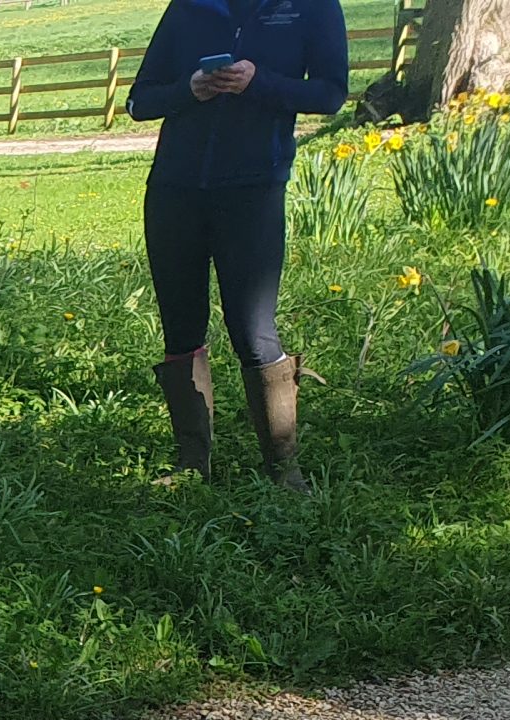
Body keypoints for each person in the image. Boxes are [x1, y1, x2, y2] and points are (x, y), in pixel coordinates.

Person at [126, 0, 349, 487]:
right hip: (173, 190)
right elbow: (140, 100)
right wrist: (189, 90)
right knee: (180, 327)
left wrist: (258, 82)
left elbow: (331, 94)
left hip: (253, 190)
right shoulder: (190, 7)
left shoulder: (311, 8)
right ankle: (191, 466)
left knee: (253, 330)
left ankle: (284, 470)